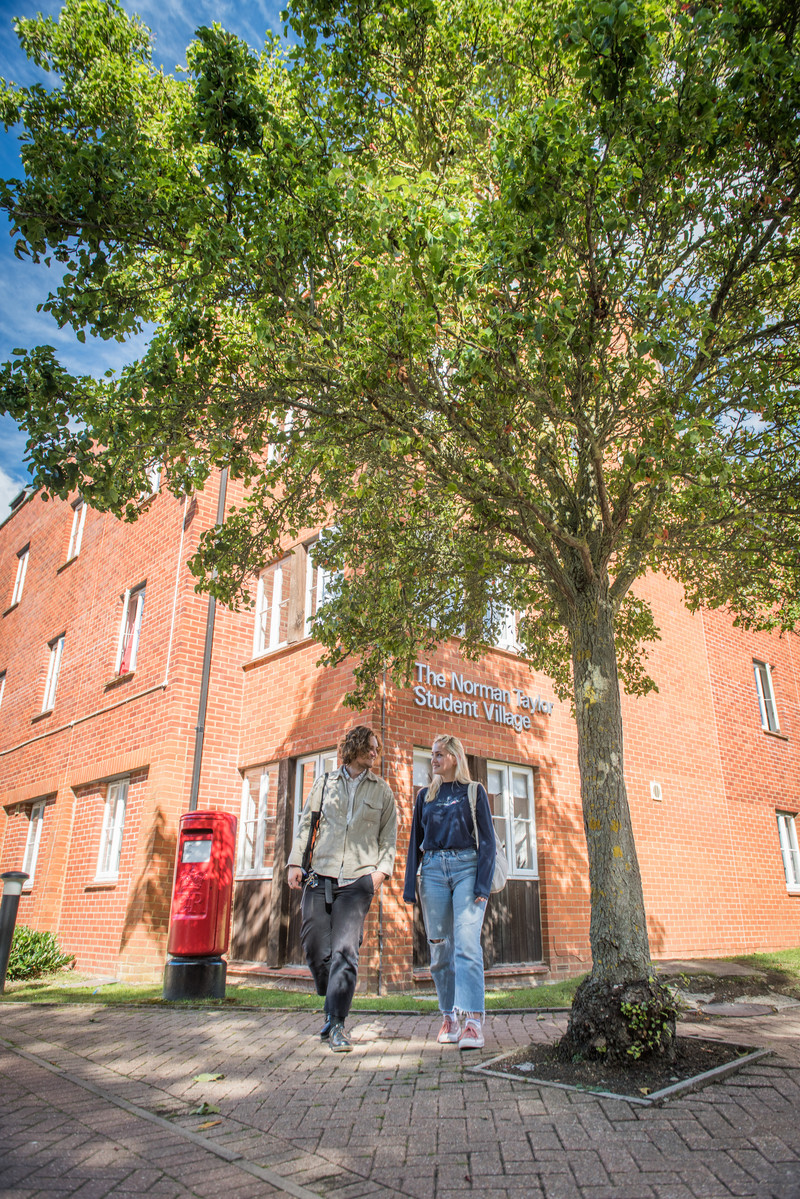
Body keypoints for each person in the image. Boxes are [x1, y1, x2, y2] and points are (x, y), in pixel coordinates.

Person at [287, 725, 397, 1052]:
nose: (376, 754)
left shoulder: (383, 792)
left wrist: (378, 876)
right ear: (355, 748)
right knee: (314, 948)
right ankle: (331, 998)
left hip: (357, 882)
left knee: (345, 952)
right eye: (371, 748)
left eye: (377, 749)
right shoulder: (324, 784)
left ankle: (337, 1024)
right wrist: (296, 862)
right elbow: (307, 822)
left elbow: (388, 839)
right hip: (320, 875)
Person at [403, 733, 495, 1050]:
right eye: (432, 755)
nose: (434, 760)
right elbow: (415, 840)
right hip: (432, 872)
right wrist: (408, 888)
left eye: (439, 754)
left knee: (466, 945)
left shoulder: (474, 792)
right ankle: (449, 1016)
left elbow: (489, 843)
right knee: (440, 949)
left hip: (467, 869)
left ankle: (472, 1022)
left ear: (454, 757)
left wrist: (483, 885)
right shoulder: (424, 797)